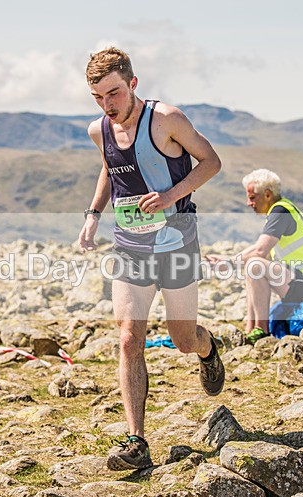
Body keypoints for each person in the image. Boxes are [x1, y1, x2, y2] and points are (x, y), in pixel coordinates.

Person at [78, 47, 225, 471]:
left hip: (177, 237)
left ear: (133, 84)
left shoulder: (166, 119)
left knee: (182, 339)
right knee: (128, 337)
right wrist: (93, 216)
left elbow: (212, 161)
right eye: (99, 98)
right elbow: (110, 166)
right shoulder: (98, 130)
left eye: (115, 94)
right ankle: (136, 442)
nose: (109, 105)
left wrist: (170, 196)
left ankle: (207, 347)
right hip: (130, 244)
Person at [206, 169, 303, 343]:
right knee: (253, 266)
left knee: (255, 266)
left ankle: (261, 329)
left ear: (267, 195)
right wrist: (227, 260)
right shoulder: (282, 210)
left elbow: (259, 251)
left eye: (252, 198)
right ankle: (250, 328)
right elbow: (262, 253)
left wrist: (228, 263)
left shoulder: (280, 212)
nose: (248, 203)